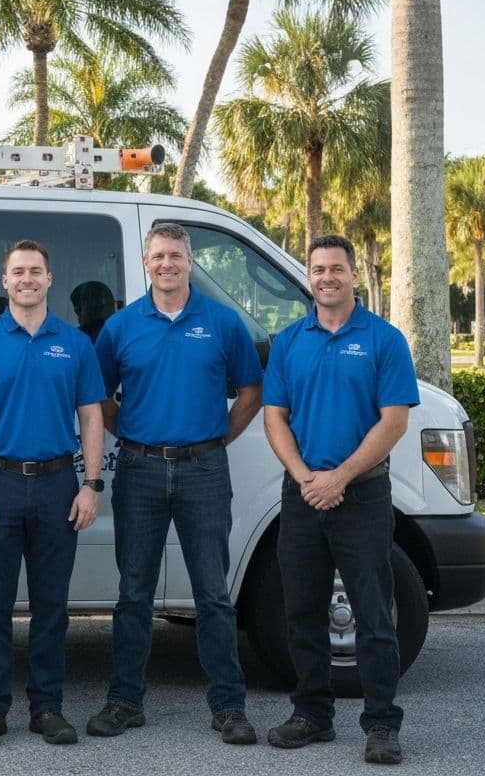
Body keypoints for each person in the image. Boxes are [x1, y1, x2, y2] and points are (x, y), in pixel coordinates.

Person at [86, 222, 262, 745]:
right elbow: (99, 395)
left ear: (189, 262)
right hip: (138, 470)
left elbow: (251, 390)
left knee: (213, 595)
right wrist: (134, 433)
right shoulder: (120, 327)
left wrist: (216, 440)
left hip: (204, 470)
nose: (167, 264)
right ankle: (124, 702)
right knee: (133, 593)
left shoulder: (223, 323)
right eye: (158, 255)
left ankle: (229, 706)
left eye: (176, 256)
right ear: (146, 262)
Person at [262, 234, 419, 766]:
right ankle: (312, 714)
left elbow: (394, 420)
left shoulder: (384, 339)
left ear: (354, 275)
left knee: (373, 613)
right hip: (302, 492)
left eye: (336, 268)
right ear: (308, 277)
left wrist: (340, 478)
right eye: (318, 269)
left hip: (364, 495)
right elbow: (274, 417)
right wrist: (307, 476)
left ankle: (381, 724)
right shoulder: (289, 340)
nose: (326, 277)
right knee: (301, 609)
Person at [0, 240, 105, 747]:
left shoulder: (76, 344)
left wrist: (91, 485)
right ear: (5, 280)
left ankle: (47, 708)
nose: (27, 279)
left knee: (51, 607)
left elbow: (91, 417)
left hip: (60, 485)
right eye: (18, 272)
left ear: (49, 279)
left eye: (36, 271)